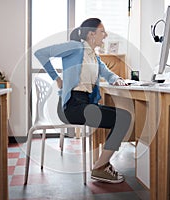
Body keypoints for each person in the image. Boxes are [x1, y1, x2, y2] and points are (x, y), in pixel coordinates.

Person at [34, 18, 131, 184]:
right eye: (102, 31)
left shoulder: (94, 57)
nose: (105, 35)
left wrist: (117, 79)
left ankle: (101, 166)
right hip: (72, 107)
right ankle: (100, 168)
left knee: (124, 117)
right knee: (123, 119)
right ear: (91, 34)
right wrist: (56, 78)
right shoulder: (75, 47)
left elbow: (108, 73)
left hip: (85, 104)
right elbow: (40, 53)